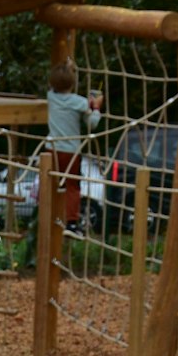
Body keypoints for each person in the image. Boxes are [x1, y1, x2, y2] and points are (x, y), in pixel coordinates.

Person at [45, 60, 102, 232]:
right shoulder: (81, 102)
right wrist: (96, 108)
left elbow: (56, 85)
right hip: (70, 151)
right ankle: (71, 223)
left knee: (52, 184)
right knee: (72, 186)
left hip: (51, 149)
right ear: (73, 83)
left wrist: (67, 69)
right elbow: (92, 124)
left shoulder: (51, 97)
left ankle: (48, 215)